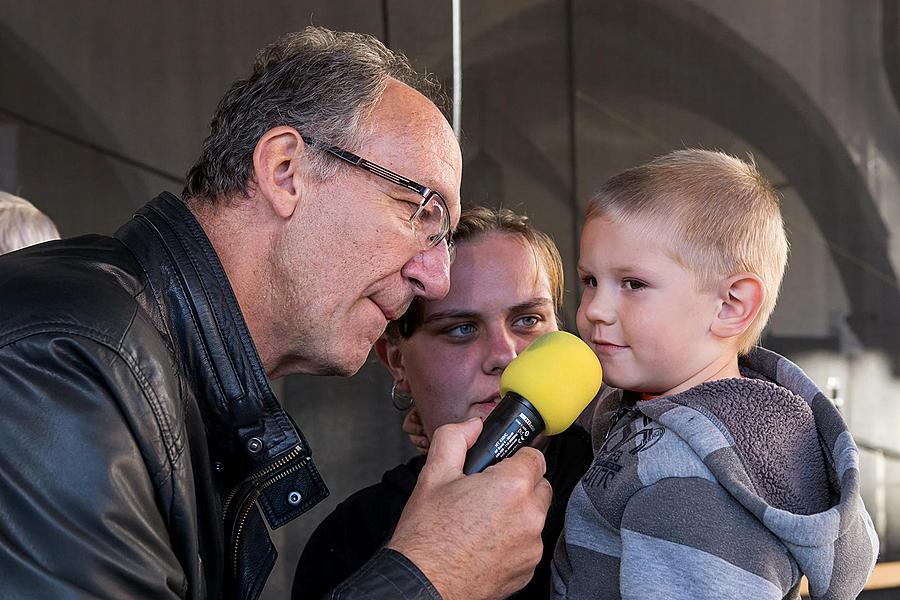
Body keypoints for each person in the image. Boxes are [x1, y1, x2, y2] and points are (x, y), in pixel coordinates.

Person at [0, 28, 551, 600]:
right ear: (286, 170)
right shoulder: (66, 358)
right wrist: (434, 575)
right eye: (421, 213)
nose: (435, 277)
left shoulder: (141, 364)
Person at [552, 149, 879, 599]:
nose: (593, 311)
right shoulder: (685, 406)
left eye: (633, 284)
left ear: (731, 306)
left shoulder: (691, 488)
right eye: (590, 280)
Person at [293, 206, 594, 600]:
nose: (506, 355)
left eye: (528, 320)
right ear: (396, 361)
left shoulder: (623, 479)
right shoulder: (353, 538)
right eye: (462, 329)